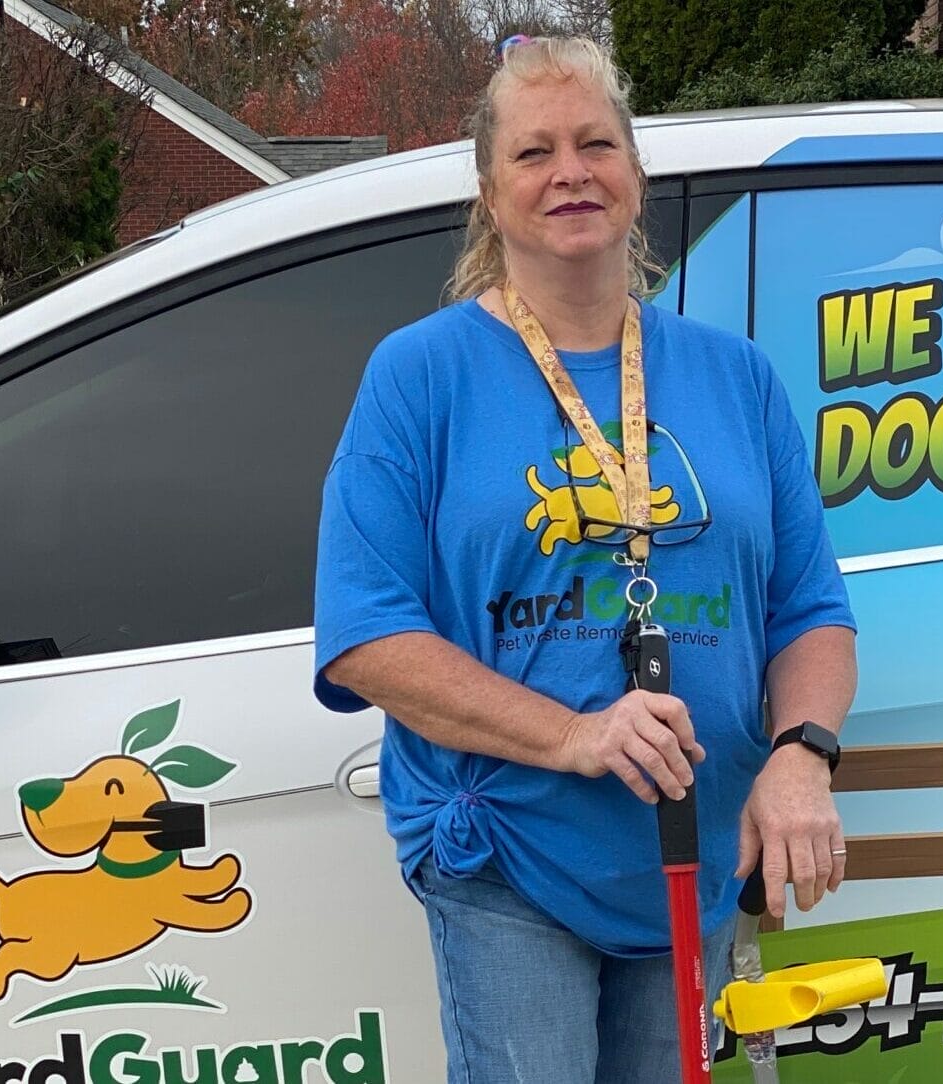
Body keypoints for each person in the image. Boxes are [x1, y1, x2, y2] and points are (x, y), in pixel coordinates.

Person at [312, 34, 858, 1083]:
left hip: (693, 851)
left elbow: (810, 608)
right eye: (534, 152)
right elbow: (366, 631)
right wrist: (571, 735)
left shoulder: (734, 375)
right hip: (509, 854)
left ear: (635, 173)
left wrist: (801, 755)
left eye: (596, 143)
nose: (571, 172)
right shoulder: (420, 376)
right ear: (488, 190)